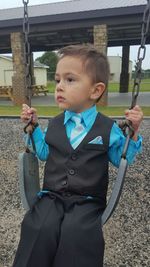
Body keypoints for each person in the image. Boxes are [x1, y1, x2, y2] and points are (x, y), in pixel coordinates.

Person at [13, 44, 143, 267]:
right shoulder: (53, 124)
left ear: (95, 90)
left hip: (87, 202)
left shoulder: (107, 127)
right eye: (57, 80)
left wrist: (134, 132)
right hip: (51, 197)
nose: (60, 87)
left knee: (77, 236)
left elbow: (121, 158)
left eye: (70, 80)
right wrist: (32, 128)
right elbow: (43, 153)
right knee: (37, 227)